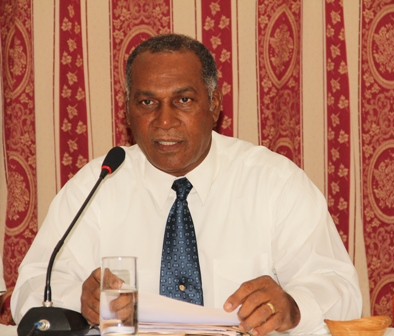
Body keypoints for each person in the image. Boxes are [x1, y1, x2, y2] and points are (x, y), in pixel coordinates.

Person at [11, 33, 362, 335]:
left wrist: (293, 306)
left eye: (184, 100)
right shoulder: (99, 183)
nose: (164, 120)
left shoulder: (273, 181)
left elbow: (340, 289)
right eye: (147, 102)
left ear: (214, 105)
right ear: (128, 111)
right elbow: (31, 287)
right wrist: (80, 301)